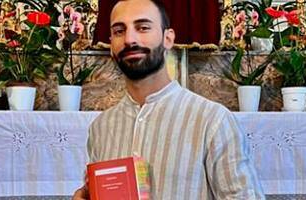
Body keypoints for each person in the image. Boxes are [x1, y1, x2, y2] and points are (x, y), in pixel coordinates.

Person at [73, 0, 264, 199]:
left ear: (168, 38)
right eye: (119, 31)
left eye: (143, 27)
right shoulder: (101, 127)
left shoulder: (212, 121)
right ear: (111, 45)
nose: (130, 39)